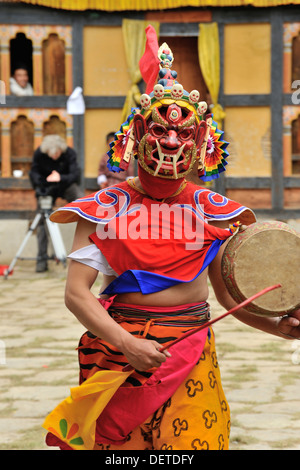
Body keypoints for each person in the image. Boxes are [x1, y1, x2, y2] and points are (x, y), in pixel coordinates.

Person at [43, 32, 300, 451]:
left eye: (183, 135)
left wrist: (280, 328)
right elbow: (76, 294)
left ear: (201, 144)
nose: (171, 143)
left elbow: (226, 297)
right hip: (119, 352)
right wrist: (127, 344)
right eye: (161, 131)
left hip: (190, 351)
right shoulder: (105, 206)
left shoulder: (211, 208)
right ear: (138, 133)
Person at [29, 134, 83, 273]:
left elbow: (75, 174)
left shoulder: (69, 153)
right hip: (47, 187)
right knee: (41, 221)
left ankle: (87, 252)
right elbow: (33, 173)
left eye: (57, 154)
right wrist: (42, 182)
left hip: (66, 185)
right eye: (50, 154)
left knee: (82, 201)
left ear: (61, 150)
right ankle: (42, 260)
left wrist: (60, 177)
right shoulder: (39, 154)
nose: (54, 157)